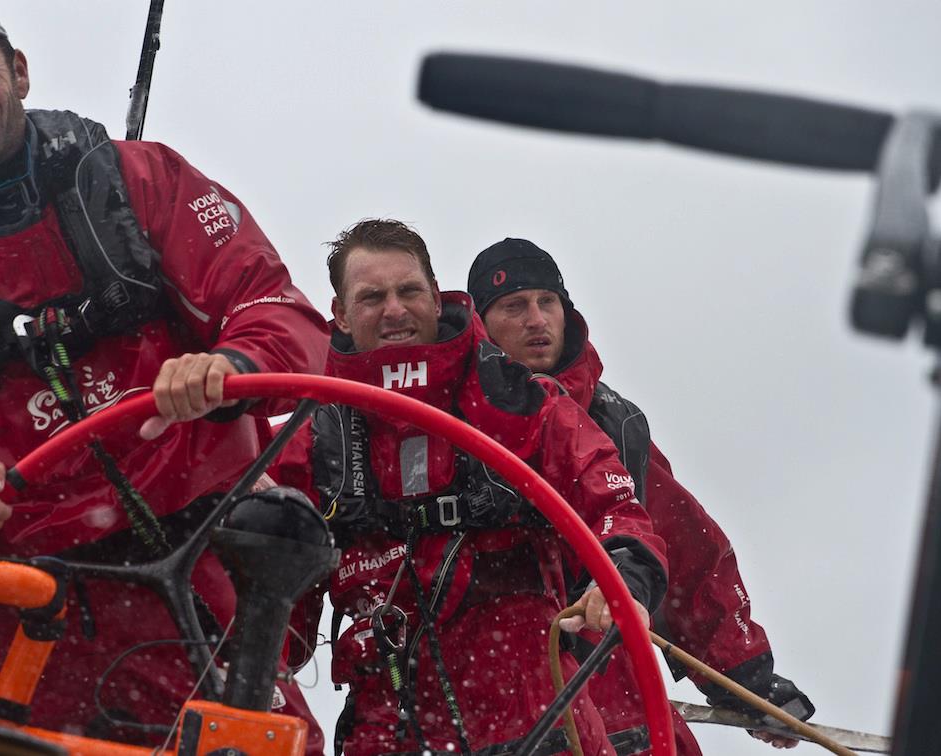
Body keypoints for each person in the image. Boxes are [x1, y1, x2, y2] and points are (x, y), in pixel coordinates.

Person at [0, 0, 329, 748]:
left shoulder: (147, 180)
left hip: (194, 581)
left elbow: (274, 307)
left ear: (18, 71)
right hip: (13, 606)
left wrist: (228, 367)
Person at [275, 218, 669, 756]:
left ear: (437, 299)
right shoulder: (313, 440)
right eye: (372, 297)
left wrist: (620, 578)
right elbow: (269, 613)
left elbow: (611, 497)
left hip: (536, 719)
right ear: (339, 314)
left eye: (409, 291)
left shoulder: (519, 401)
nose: (394, 309)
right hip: (385, 727)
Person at [468, 238, 816, 754]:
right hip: (491, 689)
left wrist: (745, 680)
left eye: (548, 302)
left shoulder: (614, 421)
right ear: (481, 323)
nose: (536, 319)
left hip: (616, 693)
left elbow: (688, 552)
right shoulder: (451, 418)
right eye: (514, 307)